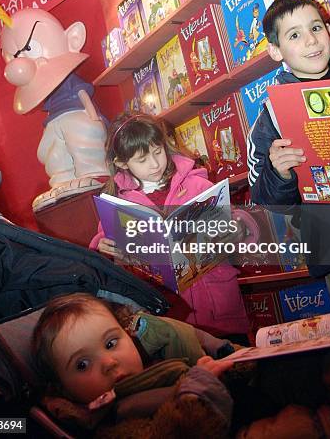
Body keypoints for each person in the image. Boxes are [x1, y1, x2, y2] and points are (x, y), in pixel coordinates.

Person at [247, 0, 330, 308]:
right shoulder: (270, 115)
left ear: (329, 32)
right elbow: (266, 201)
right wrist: (280, 172)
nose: (311, 41)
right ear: (275, 50)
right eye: (295, 35)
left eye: (316, 27)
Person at [89, 112, 251, 336]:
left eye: (158, 152)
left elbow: (238, 223)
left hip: (219, 307)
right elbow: (103, 246)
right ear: (122, 163)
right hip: (169, 318)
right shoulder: (118, 204)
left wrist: (238, 227)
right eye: (142, 159)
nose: (155, 164)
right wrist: (104, 248)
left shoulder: (197, 184)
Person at [31, 292, 237, 435]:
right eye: (82, 364)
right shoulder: (111, 425)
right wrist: (200, 388)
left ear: (129, 336)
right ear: (64, 390)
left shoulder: (156, 366)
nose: (109, 363)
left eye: (111, 343)